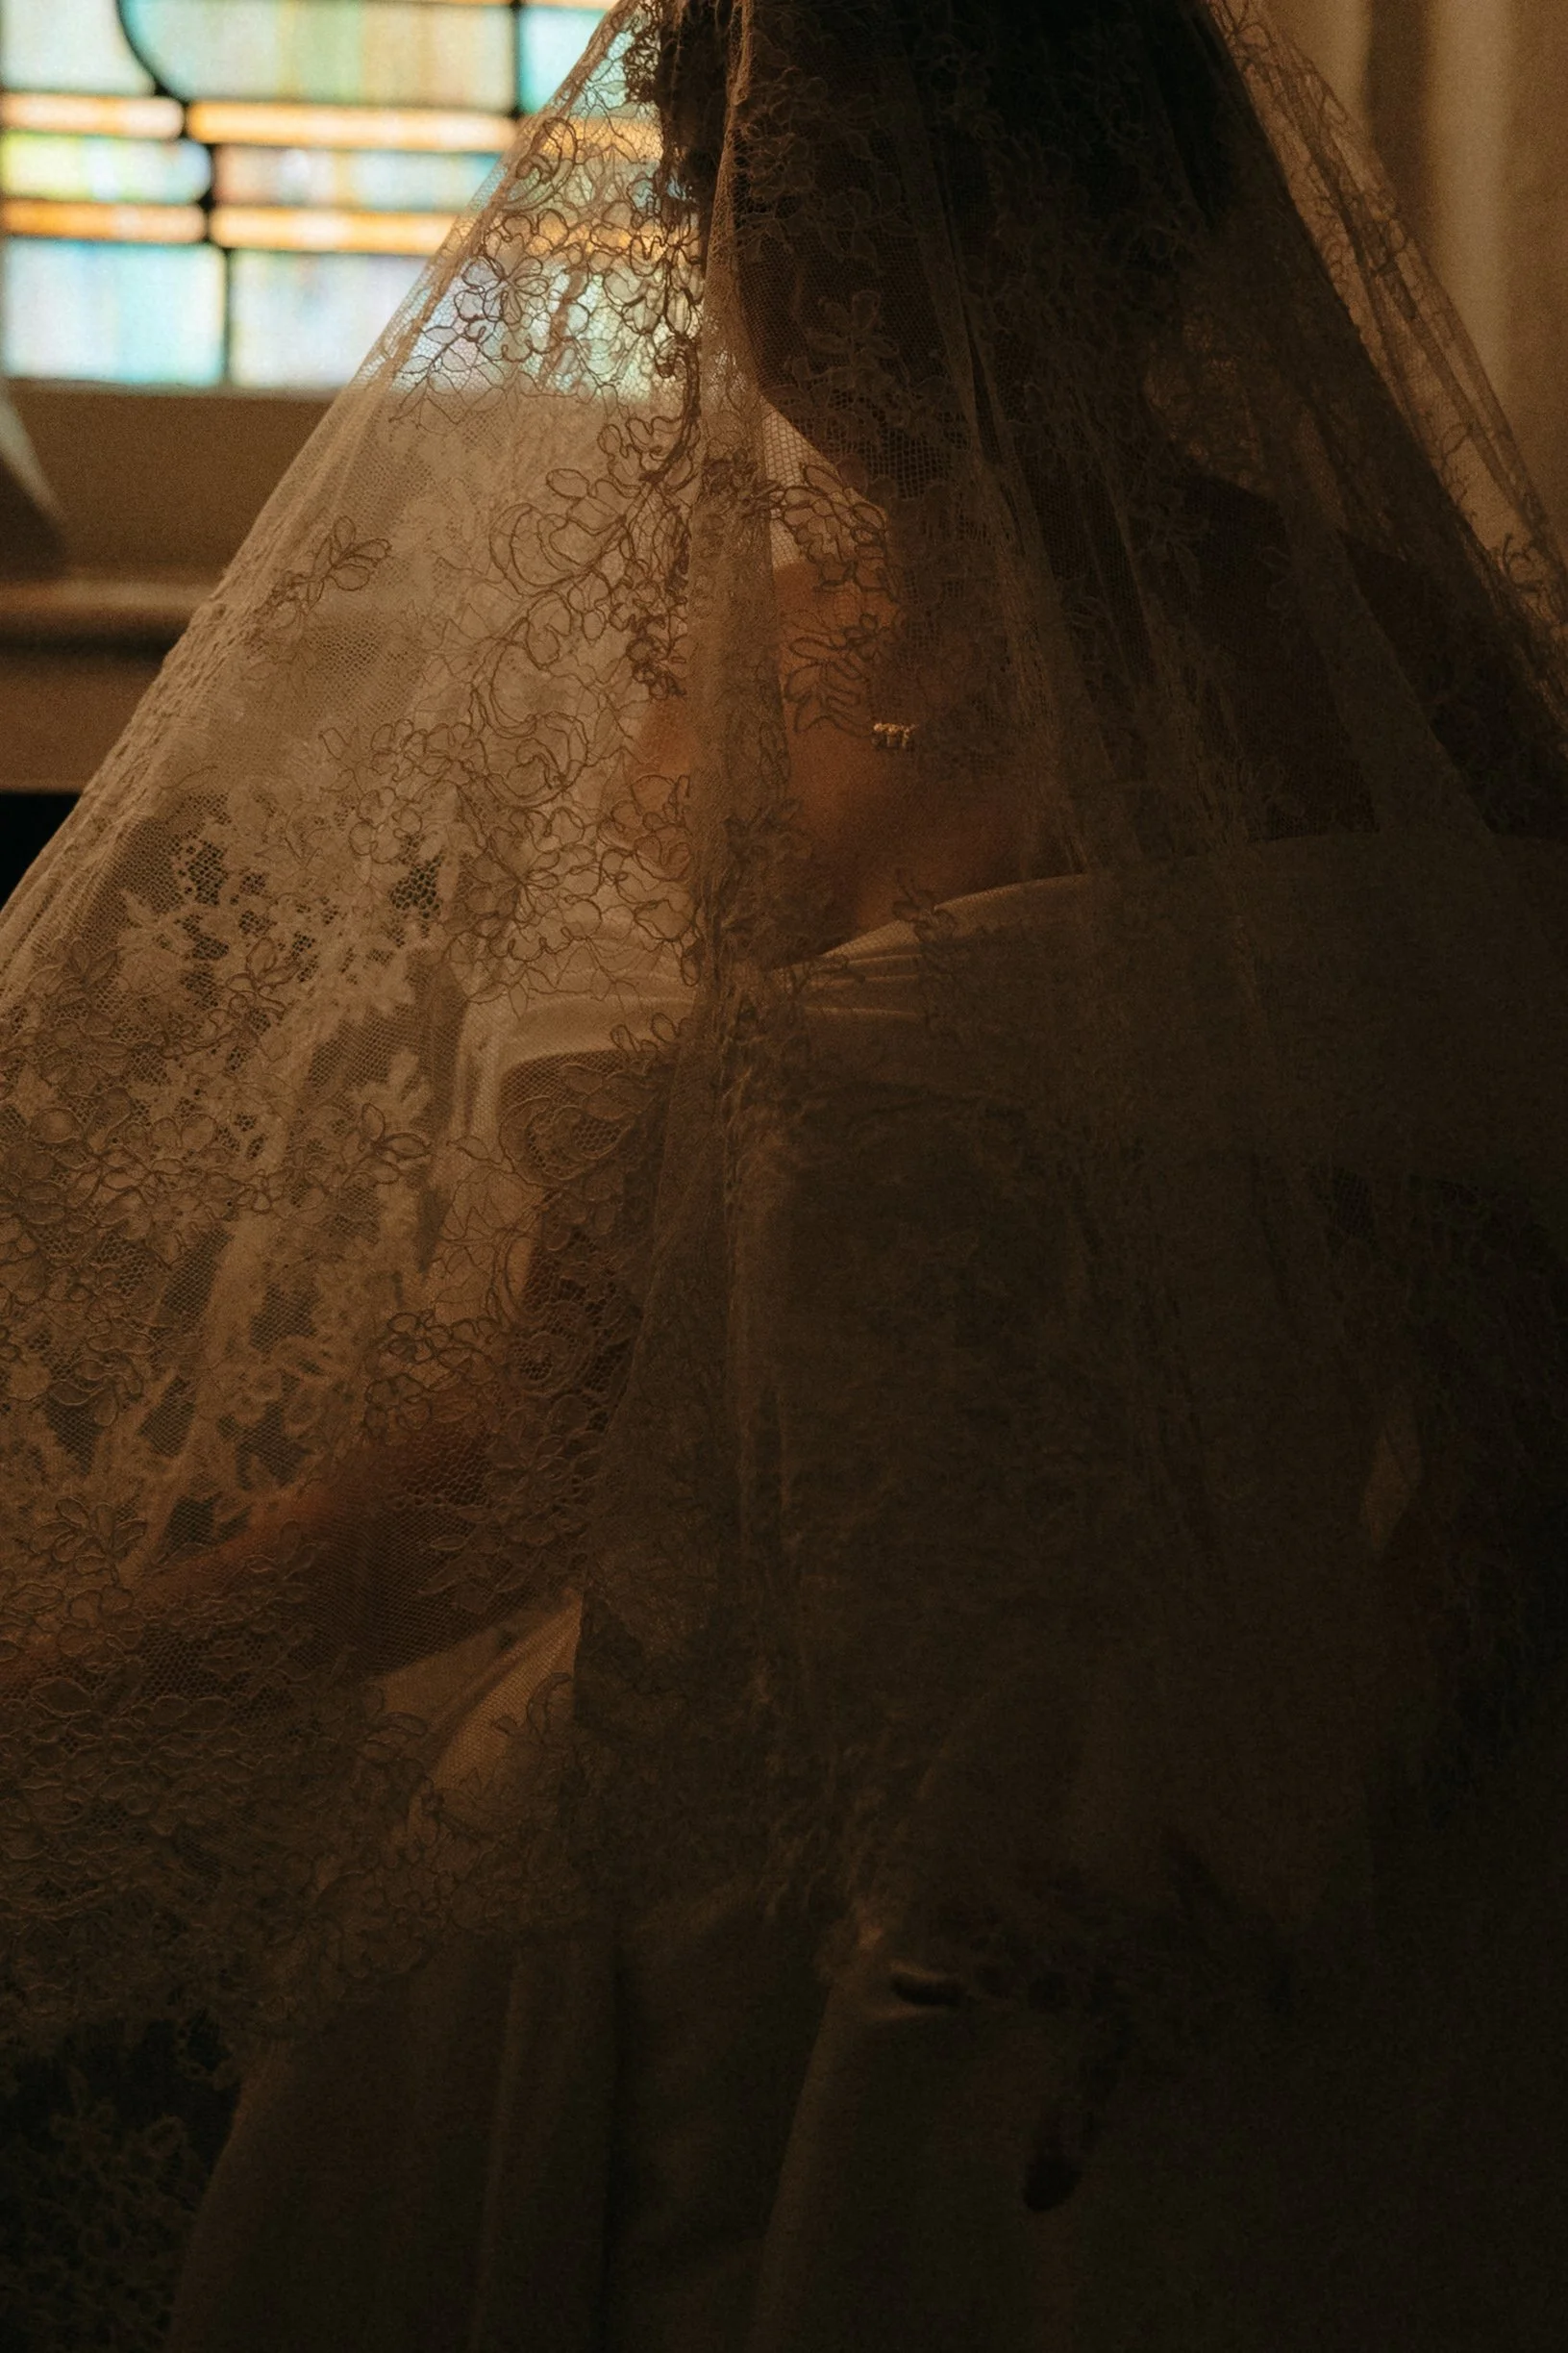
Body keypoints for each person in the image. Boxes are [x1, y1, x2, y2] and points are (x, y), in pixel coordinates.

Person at [4, 1, 1568, 2343]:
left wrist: (1278, 1889)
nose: (845, 279)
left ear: (1130, 222)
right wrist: (99, 1674)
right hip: (615, 1838)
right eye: (784, 197)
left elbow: (1512, 1410)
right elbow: (557, 1428)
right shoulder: (701, 685)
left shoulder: (1356, 679)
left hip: (1139, 1858)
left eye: (934, 190)